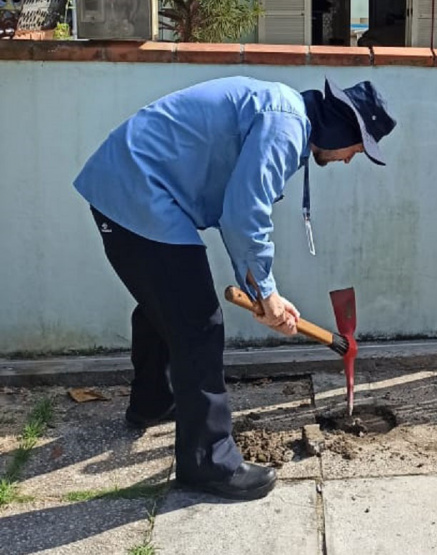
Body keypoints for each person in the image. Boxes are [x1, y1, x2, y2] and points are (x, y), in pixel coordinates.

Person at [73, 75, 396, 501]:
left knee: (166, 302)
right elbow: (245, 214)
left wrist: (266, 294)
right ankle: (209, 462)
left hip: (128, 185)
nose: (352, 158)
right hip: (138, 191)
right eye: (358, 148)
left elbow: (236, 208)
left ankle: (152, 401)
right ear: (343, 129)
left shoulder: (284, 115)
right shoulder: (285, 125)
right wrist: (266, 291)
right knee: (197, 322)